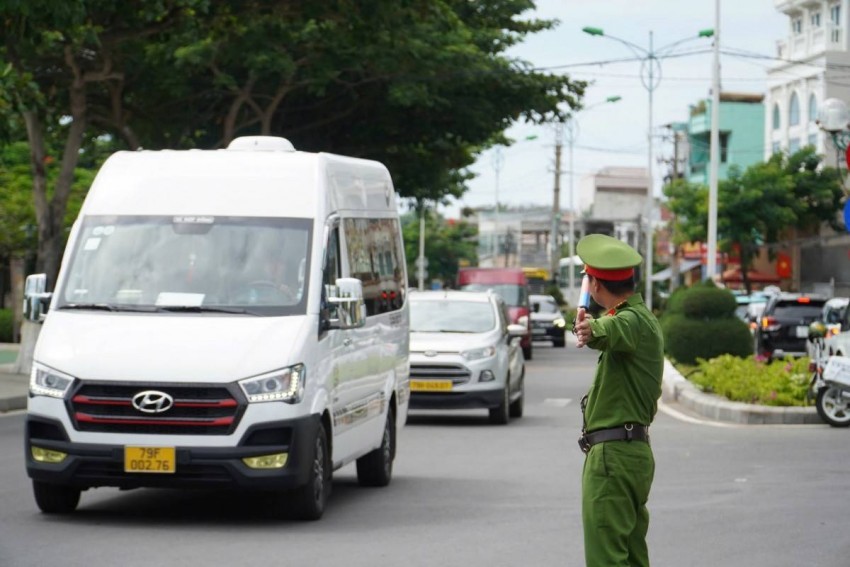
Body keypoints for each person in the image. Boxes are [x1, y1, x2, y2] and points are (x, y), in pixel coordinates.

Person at [571, 233, 664, 567]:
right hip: (632, 454)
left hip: (614, 456)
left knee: (607, 559)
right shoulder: (642, 319)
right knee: (631, 555)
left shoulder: (630, 321)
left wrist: (591, 328)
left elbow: (610, 330)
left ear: (594, 285)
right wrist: (593, 329)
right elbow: (610, 331)